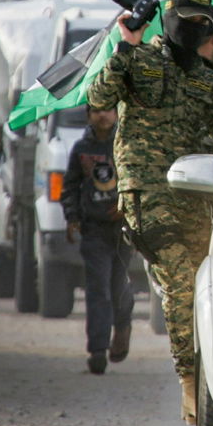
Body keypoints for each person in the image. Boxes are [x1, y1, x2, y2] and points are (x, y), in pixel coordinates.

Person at [88, 0, 213, 424]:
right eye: (201, 25)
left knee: (204, 286)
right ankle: (191, 382)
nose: (208, 35)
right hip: (147, 192)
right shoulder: (137, 61)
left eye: (211, 27)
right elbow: (98, 99)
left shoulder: (206, 80)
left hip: (196, 196)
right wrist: (125, 47)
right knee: (180, 279)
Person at [63, 105, 133, 374]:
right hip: (94, 231)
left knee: (120, 290)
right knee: (98, 291)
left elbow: (138, 181)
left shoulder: (125, 144)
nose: (103, 115)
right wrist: (72, 217)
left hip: (123, 231)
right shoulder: (81, 149)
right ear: (89, 115)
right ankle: (97, 350)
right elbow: (69, 186)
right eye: (96, 111)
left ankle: (123, 329)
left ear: (117, 114)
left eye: (108, 110)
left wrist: (126, 207)